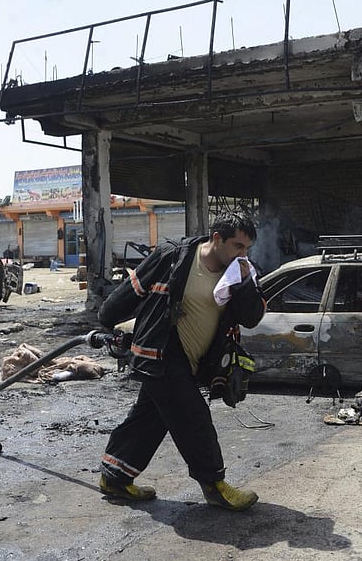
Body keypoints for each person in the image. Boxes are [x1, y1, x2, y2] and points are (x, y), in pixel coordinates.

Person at [97, 211, 266, 511]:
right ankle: (214, 484)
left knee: (149, 418)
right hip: (159, 353)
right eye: (238, 246)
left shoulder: (239, 274)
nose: (244, 255)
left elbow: (252, 318)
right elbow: (131, 291)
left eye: (247, 248)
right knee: (193, 417)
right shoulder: (173, 256)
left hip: (193, 362)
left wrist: (244, 285)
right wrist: (106, 321)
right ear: (217, 239)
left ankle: (115, 476)